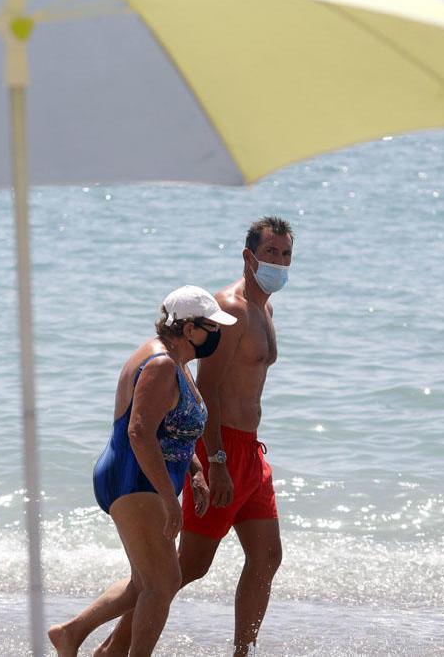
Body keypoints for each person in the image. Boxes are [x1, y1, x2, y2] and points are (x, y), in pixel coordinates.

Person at [99, 216, 293, 657]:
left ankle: (243, 652)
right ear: (249, 256)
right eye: (270, 253)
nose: (279, 263)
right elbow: (206, 388)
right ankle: (111, 646)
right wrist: (216, 461)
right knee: (184, 567)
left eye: (285, 255)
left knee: (267, 557)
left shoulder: (265, 309)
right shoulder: (234, 310)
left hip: (251, 451)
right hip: (221, 446)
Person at [48, 285, 237, 657]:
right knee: (163, 583)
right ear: (188, 328)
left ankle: (71, 633)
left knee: (146, 580)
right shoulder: (162, 363)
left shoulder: (176, 361)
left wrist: (195, 471)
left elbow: (172, 428)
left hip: (143, 477)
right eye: (212, 327)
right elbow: (139, 431)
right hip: (134, 478)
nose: (217, 333)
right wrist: (169, 501)